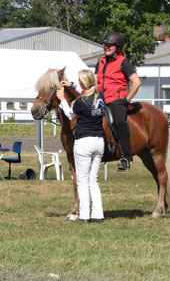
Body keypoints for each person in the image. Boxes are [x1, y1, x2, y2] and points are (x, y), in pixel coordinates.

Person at [56, 70, 105, 223]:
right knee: (93, 180)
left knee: (82, 181)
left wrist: (62, 99)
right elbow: (87, 91)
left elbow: (70, 115)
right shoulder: (101, 96)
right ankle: (98, 214)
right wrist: (73, 85)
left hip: (84, 142)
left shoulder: (79, 102)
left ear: (83, 83)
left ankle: (84, 215)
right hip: (99, 141)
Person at [95, 31, 141, 172]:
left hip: (116, 100)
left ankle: (126, 158)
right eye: (105, 45)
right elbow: (95, 81)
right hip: (100, 99)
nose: (106, 47)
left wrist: (126, 100)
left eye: (110, 45)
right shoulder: (100, 62)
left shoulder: (124, 63)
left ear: (118, 47)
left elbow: (136, 82)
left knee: (120, 122)